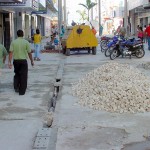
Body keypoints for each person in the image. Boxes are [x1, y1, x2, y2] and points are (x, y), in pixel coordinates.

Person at [8, 29, 34, 95]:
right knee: (23, 76)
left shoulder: (13, 42)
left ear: (17, 35)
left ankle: (16, 87)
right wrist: (31, 61)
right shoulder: (26, 42)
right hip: (23, 61)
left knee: (17, 74)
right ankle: (22, 91)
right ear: (23, 34)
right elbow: (29, 53)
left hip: (16, 61)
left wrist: (9, 62)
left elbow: (10, 52)